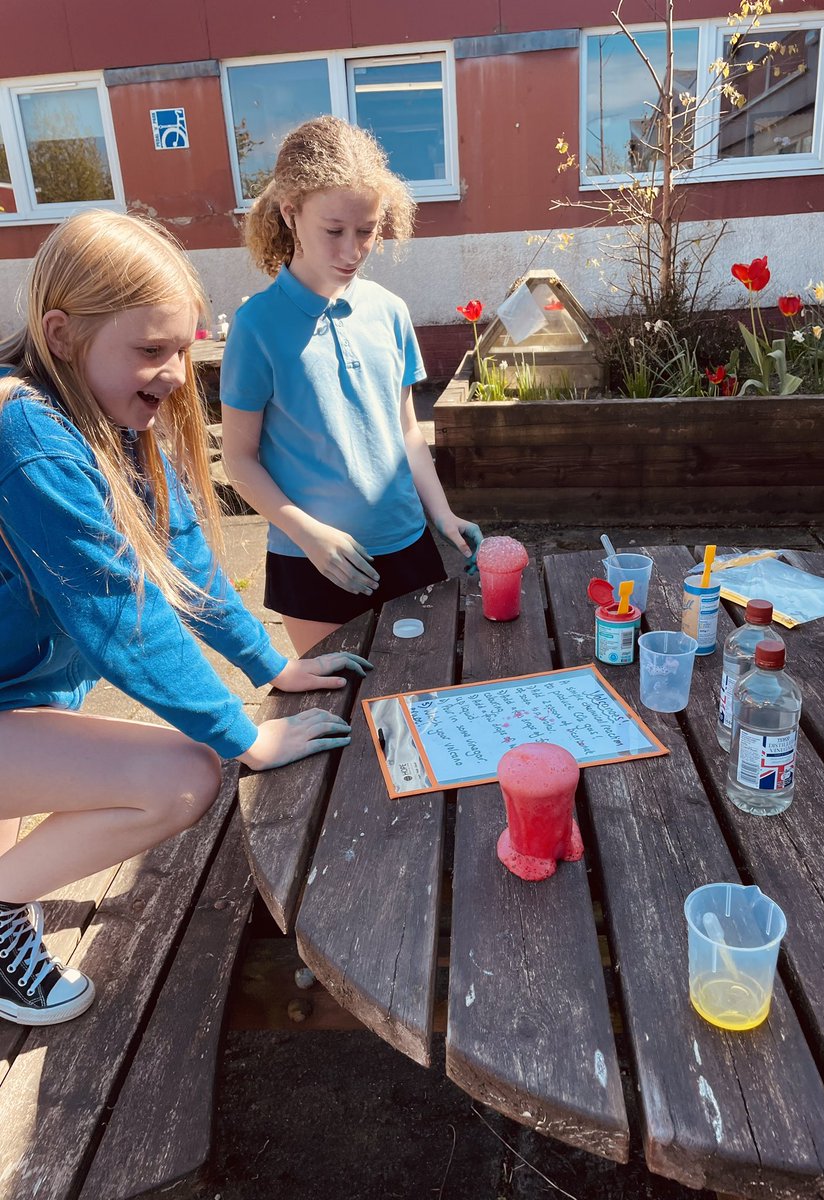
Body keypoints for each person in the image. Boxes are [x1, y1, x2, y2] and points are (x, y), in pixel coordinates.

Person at [0, 210, 372, 1027]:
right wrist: (243, 737)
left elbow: (185, 563)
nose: (175, 373)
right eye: (150, 350)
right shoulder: (25, 433)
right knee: (187, 776)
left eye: (181, 347)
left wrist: (271, 668)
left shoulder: (105, 416)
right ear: (60, 334)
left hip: (16, 705)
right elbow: (124, 616)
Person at [220, 115, 482, 656]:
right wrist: (310, 535)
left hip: (409, 546)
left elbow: (408, 432)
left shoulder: (390, 311)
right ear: (291, 213)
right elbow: (239, 460)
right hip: (312, 562)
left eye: (366, 231)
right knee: (340, 715)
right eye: (334, 230)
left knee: (422, 699)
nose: (352, 249)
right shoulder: (256, 327)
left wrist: (443, 514)